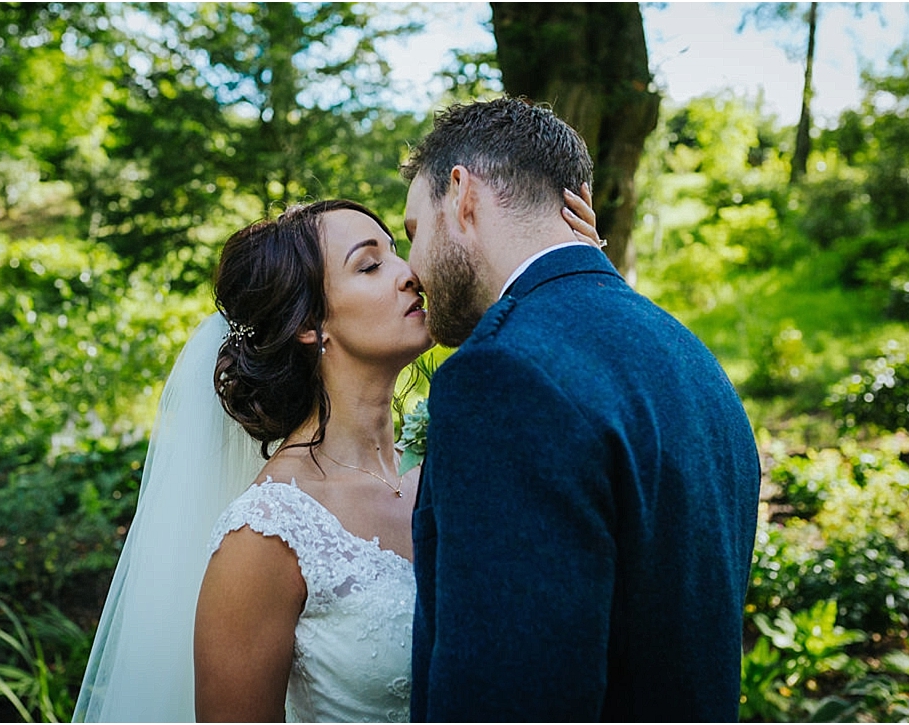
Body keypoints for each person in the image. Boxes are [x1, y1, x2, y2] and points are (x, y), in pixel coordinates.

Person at [72, 194, 606, 722]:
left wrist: (570, 280)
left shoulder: (451, 467)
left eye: (399, 252)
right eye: (371, 265)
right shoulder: (266, 533)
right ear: (309, 324)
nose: (411, 272)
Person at [401, 97, 762, 721]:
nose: (412, 268)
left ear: (461, 193)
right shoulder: (687, 353)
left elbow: (510, 695)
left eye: (412, 232)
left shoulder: (503, 373)